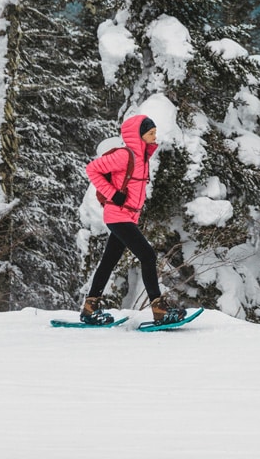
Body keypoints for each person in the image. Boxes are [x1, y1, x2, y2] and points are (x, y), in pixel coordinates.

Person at [80, 114, 187, 326]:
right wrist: (112, 194)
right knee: (147, 255)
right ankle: (159, 310)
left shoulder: (143, 159)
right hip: (117, 215)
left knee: (109, 261)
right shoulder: (124, 155)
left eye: (155, 133)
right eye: (151, 133)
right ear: (138, 135)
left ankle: (90, 308)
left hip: (127, 216)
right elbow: (92, 169)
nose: (155, 137)